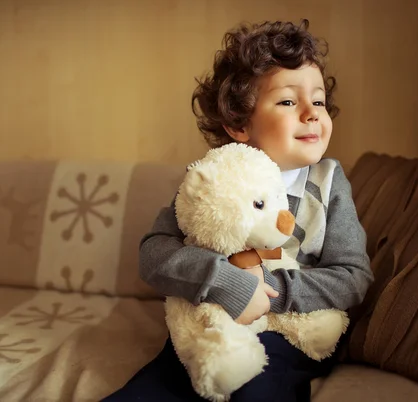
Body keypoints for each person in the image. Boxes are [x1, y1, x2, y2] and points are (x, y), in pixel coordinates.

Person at [104, 19, 373, 402]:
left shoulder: (330, 184)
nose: (312, 113)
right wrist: (224, 283)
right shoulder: (213, 177)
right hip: (209, 327)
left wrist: (271, 291)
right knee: (153, 390)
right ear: (238, 124)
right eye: (287, 101)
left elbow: (353, 277)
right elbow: (153, 254)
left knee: (254, 387)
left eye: (318, 101)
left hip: (291, 334)